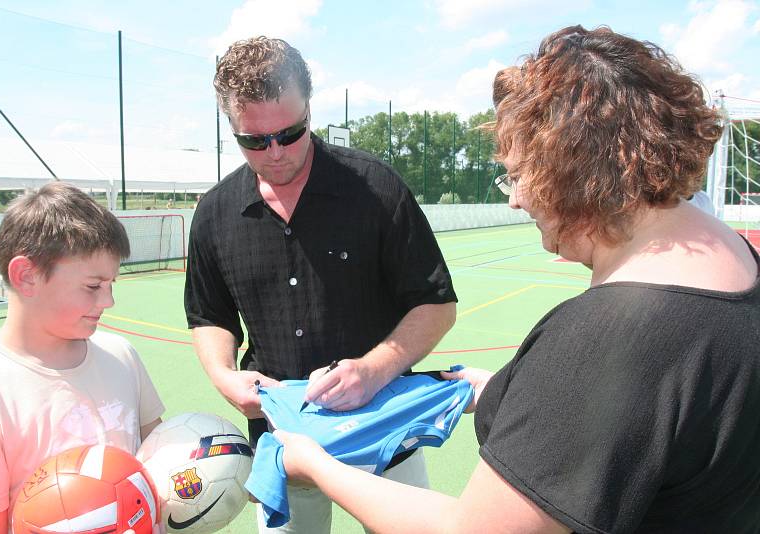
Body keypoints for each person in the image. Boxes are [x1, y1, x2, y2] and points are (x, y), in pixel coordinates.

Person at [274, 25, 760, 533]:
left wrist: (315, 464)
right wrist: (506, 393)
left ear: (570, 170)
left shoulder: (607, 335)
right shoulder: (737, 258)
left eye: (520, 174)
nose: (515, 198)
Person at [184, 36, 457, 533]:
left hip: (385, 427)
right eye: (254, 140)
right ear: (231, 129)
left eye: (290, 133)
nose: (275, 152)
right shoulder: (214, 213)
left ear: (310, 109)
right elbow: (210, 316)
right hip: (285, 441)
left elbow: (436, 304)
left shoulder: (376, 188)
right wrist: (225, 377)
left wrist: (374, 370)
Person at [0, 182, 165, 534]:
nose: (108, 301)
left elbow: (159, 459)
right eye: (93, 286)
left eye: (111, 284)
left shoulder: (121, 355)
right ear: (27, 276)